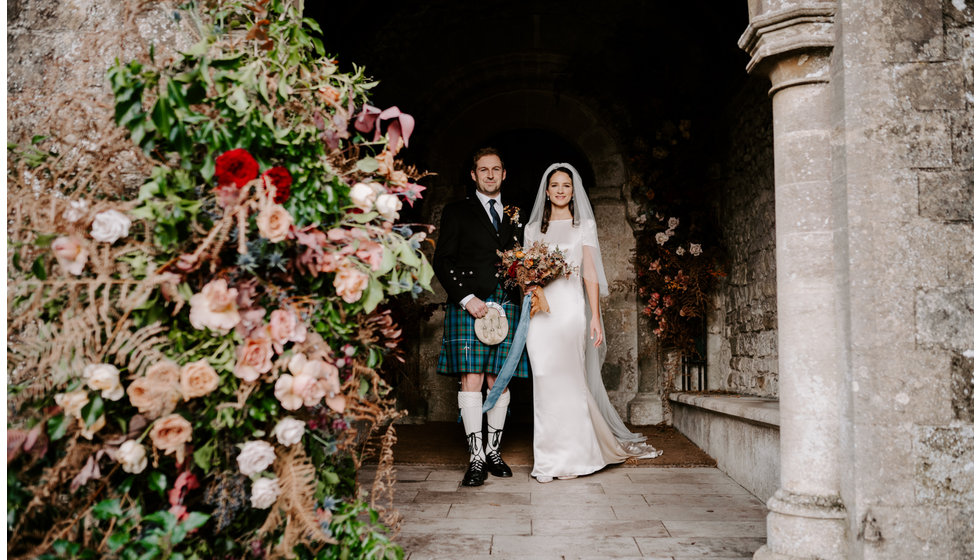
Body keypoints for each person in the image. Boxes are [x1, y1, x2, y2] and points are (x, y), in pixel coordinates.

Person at [524, 163, 661, 483]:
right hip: (540, 315)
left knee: (570, 381)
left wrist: (595, 317)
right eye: (555, 185)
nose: (560, 190)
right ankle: (548, 460)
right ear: (546, 191)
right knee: (544, 380)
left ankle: (576, 458)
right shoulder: (533, 230)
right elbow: (525, 273)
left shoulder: (582, 225)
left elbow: (589, 273)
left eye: (566, 186)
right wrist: (530, 286)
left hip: (570, 311)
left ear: (573, 192)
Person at [433, 147, 531, 487]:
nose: (490, 175)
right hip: (470, 305)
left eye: (496, 169)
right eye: (483, 170)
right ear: (473, 175)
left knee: (499, 379)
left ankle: (493, 451)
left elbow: (524, 258)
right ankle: (475, 459)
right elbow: (443, 261)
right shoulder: (457, 211)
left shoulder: (516, 214)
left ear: (504, 174)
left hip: (507, 303)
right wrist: (467, 298)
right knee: (471, 379)